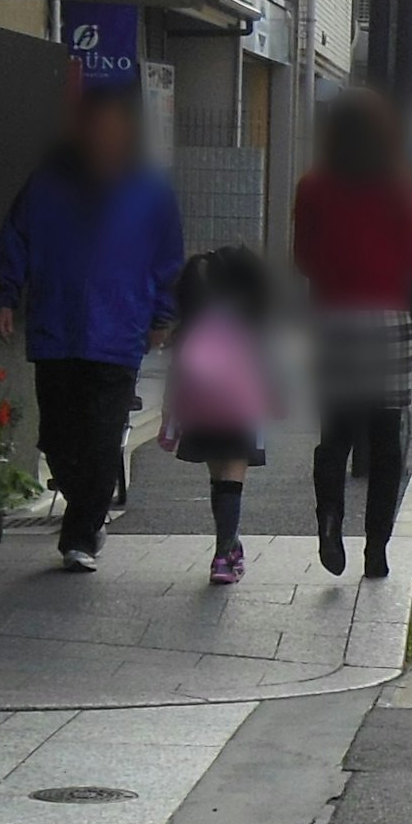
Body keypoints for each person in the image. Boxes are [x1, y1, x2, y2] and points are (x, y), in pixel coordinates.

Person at [0, 92, 185, 576]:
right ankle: (87, 511)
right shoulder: (49, 185)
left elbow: (167, 259)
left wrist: (161, 315)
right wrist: (3, 295)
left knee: (98, 436)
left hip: (119, 330)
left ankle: (81, 532)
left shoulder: (150, 190)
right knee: (56, 436)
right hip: (56, 328)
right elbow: (15, 238)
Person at [293, 89, 412, 579]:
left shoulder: (313, 186)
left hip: (333, 319)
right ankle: (376, 549)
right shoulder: (401, 188)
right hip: (388, 321)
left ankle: (329, 518)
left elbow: (302, 258)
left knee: (335, 435)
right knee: (386, 440)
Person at [162, 245, 275, 586]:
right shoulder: (249, 318)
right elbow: (267, 367)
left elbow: (178, 373)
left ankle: (228, 547)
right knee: (232, 480)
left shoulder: (194, 321)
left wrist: (170, 414)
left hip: (200, 409)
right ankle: (225, 553)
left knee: (218, 481)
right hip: (240, 408)